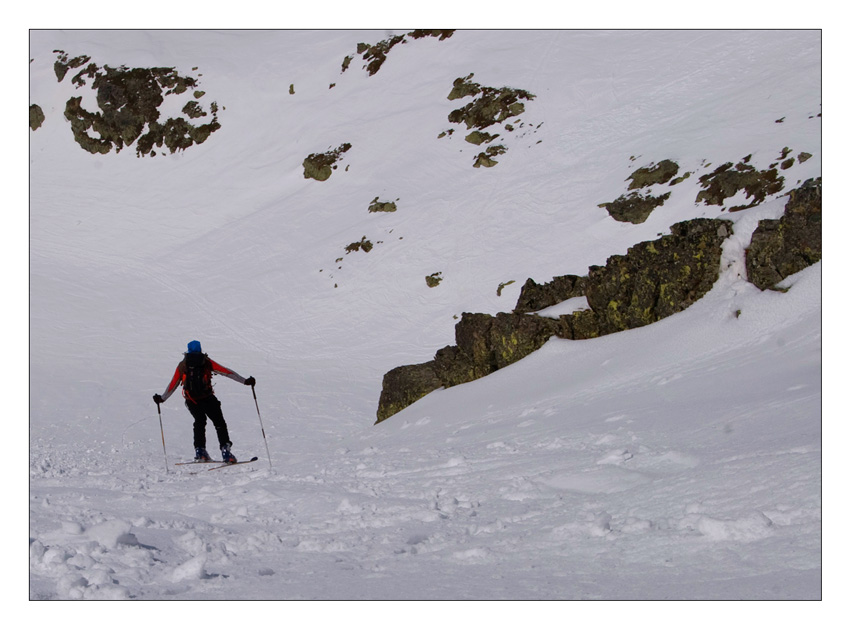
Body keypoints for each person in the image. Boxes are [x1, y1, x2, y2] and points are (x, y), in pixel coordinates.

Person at [153, 340, 255, 463]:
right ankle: (225, 451)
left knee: (199, 422)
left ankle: (200, 451)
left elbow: (173, 383)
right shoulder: (206, 362)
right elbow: (226, 371)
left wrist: (162, 398)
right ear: (200, 349)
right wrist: (245, 381)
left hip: (191, 400)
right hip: (207, 398)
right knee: (219, 423)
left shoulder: (183, 365)